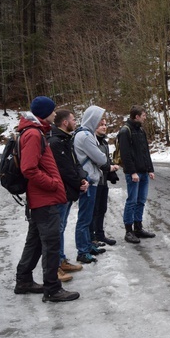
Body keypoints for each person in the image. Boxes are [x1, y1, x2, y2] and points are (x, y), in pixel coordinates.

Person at [14, 96, 79, 302]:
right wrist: (52, 183)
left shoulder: (33, 131)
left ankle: (23, 280)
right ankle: (52, 288)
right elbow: (29, 168)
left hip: (40, 199)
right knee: (50, 243)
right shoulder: (33, 134)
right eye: (52, 111)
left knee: (34, 242)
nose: (54, 114)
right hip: (44, 198)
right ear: (44, 113)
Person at [48, 109, 88, 282]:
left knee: (62, 227)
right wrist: (79, 182)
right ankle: (55, 266)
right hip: (61, 192)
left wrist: (83, 178)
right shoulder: (56, 142)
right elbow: (64, 170)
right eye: (73, 119)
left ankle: (61, 260)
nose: (75, 121)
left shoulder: (66, 139)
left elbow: (75, 163)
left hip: (68, 191)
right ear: (65, 122)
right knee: (57, 229)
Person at [73, 105, 112, 264]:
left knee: (88, 216)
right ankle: (83, 250)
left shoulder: (82, 134)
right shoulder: (86, 136)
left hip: (89, 178)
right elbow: (101, 159)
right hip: (88, 180)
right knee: (85, 218)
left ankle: (88, 245)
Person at [119, 105, 156, 243]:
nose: (145, 118)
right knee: (132, 201)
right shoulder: (125, 131)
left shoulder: (141, 130)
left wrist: (150, 169)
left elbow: (145, 151)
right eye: (144, 115)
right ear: (137, 116)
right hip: (133, 174)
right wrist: (132, 172)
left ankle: (138, 227)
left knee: (141, 201)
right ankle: (128, 231)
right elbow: (125, 154)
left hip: (144, 172)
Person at [90, 114, 120, 244]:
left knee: (102, 209)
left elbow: (106, 158)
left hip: (103, 181)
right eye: (101, 125)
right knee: (94, 210)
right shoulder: (92, 141)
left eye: (105, 124)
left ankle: (100, 234)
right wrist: (109, 167)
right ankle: (92, 237)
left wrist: (111, 167)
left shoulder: (104, 142)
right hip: (94, 181)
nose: (104, 127)